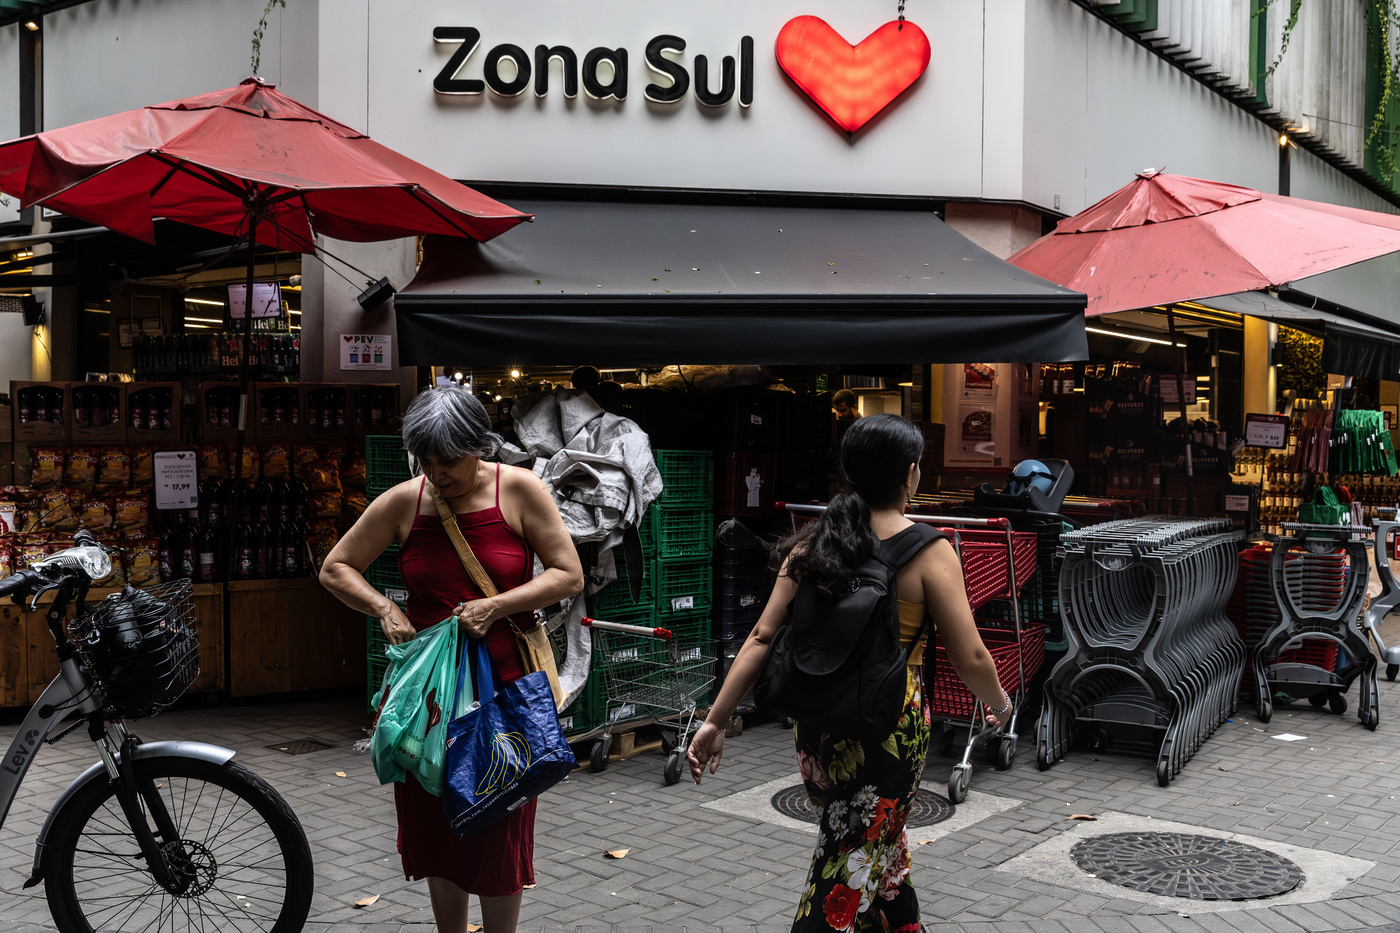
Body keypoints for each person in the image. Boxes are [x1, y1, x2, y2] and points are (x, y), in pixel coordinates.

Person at [687, 414, 1013, 933]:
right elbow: (970, 655)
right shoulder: (930, 551)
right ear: (910, 475)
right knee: (846, 859)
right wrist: (999, 704)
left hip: (817, 723)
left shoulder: (813, 544)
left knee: (876, 840)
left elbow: (760, 639)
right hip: (886, 727)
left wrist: (715, 720)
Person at [320, 385, 584, 933]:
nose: (438, 473)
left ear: (479, 445)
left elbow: (568, 575)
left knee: (499, 821)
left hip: (505, 692)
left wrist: (496, 607)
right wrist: (384, 609)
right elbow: (336, 567)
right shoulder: (403, 502)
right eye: (427, 461)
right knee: (437, 822)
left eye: (449, 460)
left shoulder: (519, 490)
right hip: (428, 700)